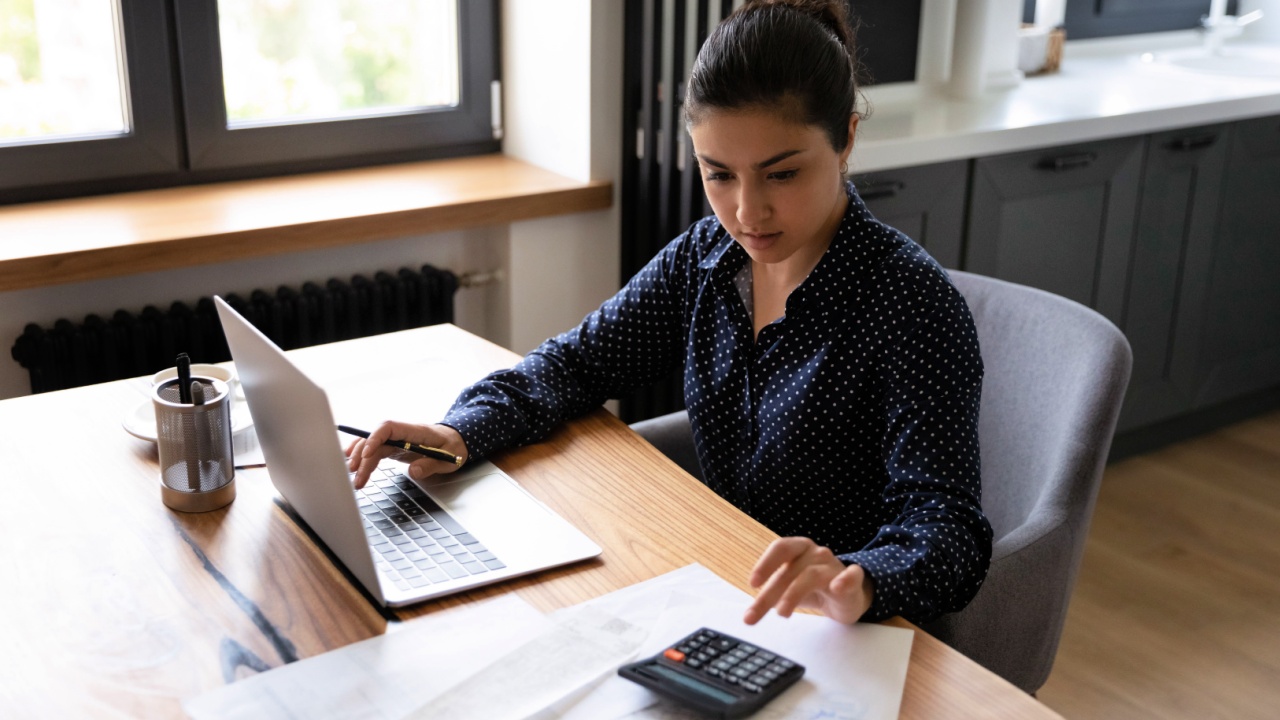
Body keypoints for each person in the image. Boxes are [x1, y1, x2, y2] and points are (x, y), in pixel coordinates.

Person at [348, 0, 992, 628]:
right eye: (719, 175)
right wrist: (463, 431)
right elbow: (574, 363)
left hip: (850, 631)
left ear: (846, 137)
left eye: (782, 175)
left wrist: (860, 578)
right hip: (719, 588)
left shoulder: (911, 305)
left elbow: (949, 526)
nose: (746, 212)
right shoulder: (706, 260)